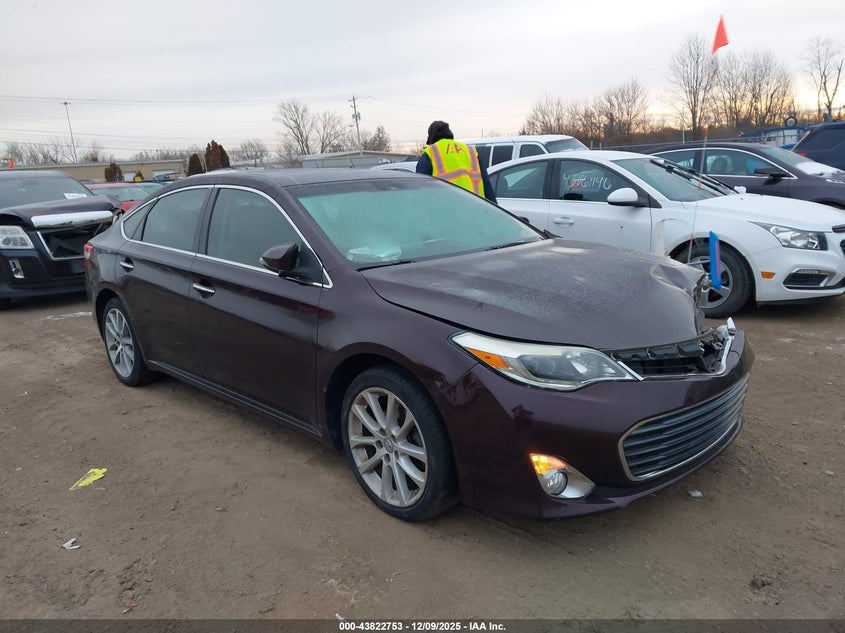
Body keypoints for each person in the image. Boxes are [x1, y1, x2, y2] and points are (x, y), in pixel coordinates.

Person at [416, 120, 497, 204]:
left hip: (446, 210)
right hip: (474, 208)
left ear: (431, 139)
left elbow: (420, 188)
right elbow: (487, 186)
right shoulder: (470, 151)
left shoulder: (431, 153)